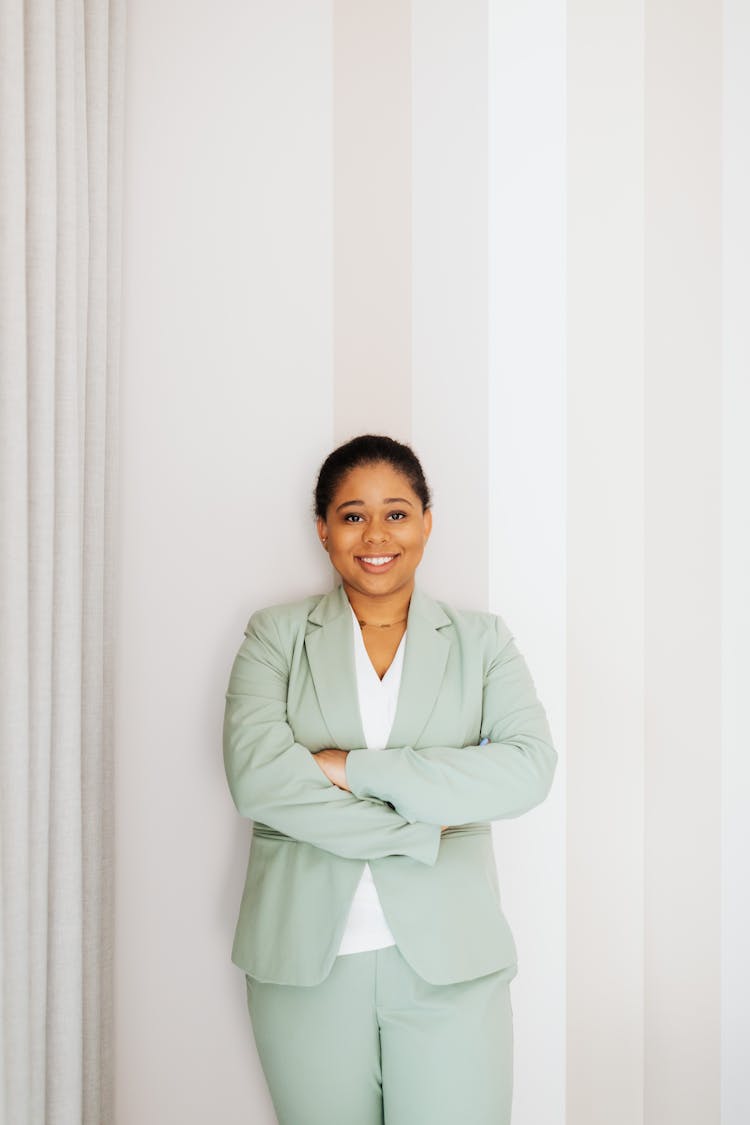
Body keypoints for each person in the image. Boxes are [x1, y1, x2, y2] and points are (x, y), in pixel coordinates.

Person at [222, 434, 557, 1125]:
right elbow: (259, 780)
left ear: (427, 522)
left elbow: (527, 769)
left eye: (397, 513)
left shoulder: (482, 642)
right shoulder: (275, 636)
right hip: (304, 964)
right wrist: (419, 827)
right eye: (352, 514)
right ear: (323, 529)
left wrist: (354, 767)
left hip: (453, 961)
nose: (375, 533)